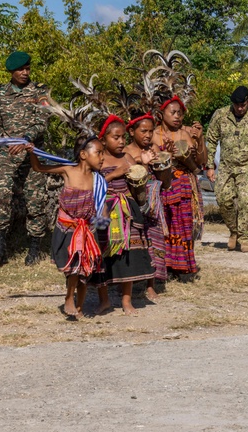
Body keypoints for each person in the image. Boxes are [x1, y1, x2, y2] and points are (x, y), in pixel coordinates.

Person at [26, 136, 107, 319]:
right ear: (84, 154)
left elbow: (102, 206)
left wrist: (103, 224)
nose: (102, 157)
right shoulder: (67, 170)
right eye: (99, 152)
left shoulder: (98, 180)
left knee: (83, 268)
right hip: (66, 227)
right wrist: (32, 153)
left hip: (86, 230)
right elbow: (38, 168)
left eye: (103, 153)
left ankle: (78, 306)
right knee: (73, 268)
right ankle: (69, 296)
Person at [0, 51, 52, 267]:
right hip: (7, 154)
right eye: (20, 70)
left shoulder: (40, 91)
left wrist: (25, 139)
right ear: (11, 72)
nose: (25, 73)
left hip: (32, 153)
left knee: (36, 200)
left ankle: (34, 247)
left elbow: (43, 120)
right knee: (0, 194)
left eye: (27, 68)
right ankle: (0, 245)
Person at [93, 116, 156, 316]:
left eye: (122, 138)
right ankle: (104, 300)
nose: (121, 142)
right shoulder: (98, 158)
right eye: (115, 137)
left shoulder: (127, 158)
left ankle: (126, 301)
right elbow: (93, 182)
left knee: (128, 255)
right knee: (101, 254)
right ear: (103, 140)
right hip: (104, 211)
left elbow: (139, 189)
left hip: (127, 212)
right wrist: (114, 174)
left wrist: (144, 169)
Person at [204, 86, 248, 253]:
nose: (240, 109)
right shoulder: (220, 115)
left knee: (245, 201)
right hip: (226, 166)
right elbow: (211, 140)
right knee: (223, 199)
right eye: (237, 106)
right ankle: (234, 231)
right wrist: (209, 165)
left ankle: (245, 237)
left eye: (243, 105)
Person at [153, 96, 206, 277]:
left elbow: (201, 163)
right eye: (173, 113)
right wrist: (165, 153)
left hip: (184, 183)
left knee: (183, 224)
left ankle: (182, 266)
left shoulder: (187, 133)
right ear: (162, 114)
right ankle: (164, 265)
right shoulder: (153, 134)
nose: (177, 117)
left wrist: (200, 140)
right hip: (163, 184)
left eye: (180, 113)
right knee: (165, 224)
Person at [125, 112, 167, 300]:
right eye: (143, 131)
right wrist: (140, 161)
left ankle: (151, 284)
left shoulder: (154, 148)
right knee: (135, 243)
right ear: (132, 131)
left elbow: (165, 181)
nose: (148, 135)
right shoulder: (125, 152)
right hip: (132, 205)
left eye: (151, 131)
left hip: (152, 204)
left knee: (154, 242)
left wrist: (163, 163)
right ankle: (130, 282)